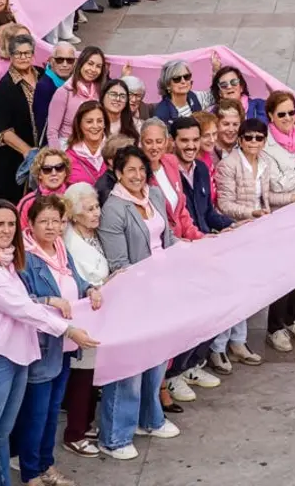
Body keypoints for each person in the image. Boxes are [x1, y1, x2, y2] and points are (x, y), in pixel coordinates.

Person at [0, 200, 96, 486]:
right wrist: (68, 330)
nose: (6, 230)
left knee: (0, 437)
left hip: (17, 359)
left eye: (10, 224)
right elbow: (24, 308)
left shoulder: (6, 262)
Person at [98, 146, 183, 458]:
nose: (137, 176)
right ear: (118, 173)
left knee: (157, 359)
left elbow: (168, 238)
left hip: (162, 291)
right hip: (132, 296)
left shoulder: (155, 197)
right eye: (130, 170)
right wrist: (149, 283)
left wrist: (186, 255)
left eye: (141, 170)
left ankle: (150, 419)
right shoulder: (114, 209)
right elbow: (118, 263)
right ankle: (115, 437)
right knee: (129, 369)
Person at [15, 195, 102, 486]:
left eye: (57, 221)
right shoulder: (24, 258)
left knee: (52, 412)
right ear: (30, 224)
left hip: (64, 346)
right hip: (42, 346)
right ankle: (31, 473)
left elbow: (76, 280)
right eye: (45, 222)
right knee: (36, 415)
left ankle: (46, 465)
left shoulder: (61, 250)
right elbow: (21, 302)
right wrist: (50, 300)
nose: (52, 227)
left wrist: (89, 289)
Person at [216, 118, 295, 352]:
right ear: (240, 140)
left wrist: (292, 199)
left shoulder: (265, 163)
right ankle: (273, 329)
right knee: (272, 277)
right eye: (249, 137)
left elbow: (269, 195)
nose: (254, 142)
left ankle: (290, 320)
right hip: (241, 230)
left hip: (264, 225)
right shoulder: (229, 165)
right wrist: (252, 213)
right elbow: (225, 204)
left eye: (259, 138)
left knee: (293, 267)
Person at [59, 183, 106, 457]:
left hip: (99, 312)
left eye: (96, 206)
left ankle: (86, 423)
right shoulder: (70, 243)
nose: (96, 213)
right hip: (83, 314)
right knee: (82, 376)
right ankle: (74, 432)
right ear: (75, 215)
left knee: (92, 376)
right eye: (89, 209)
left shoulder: (93, 234)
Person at [0, 34, 40, 204]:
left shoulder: (42, 75)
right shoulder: (6, 86)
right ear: (10, 56)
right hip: (14, 158)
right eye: (18, 53)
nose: (23, 57)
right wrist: (29, 153)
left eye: (27, 53)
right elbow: (2, 130)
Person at [46, 47, 107, 148]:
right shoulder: (64, 92)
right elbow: (52, 132)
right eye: (90, 64)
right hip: (68, 148)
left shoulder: (99, 92)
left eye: (98, 66)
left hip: (94, 149)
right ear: (81, 63)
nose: (93, 69)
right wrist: (58, 159)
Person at [65, 102, 109, 187]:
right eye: (89, 122)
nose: (95, 126)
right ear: (79, 125)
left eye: (99, 121)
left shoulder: (115, 152)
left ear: (105, 124)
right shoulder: (68, 158)